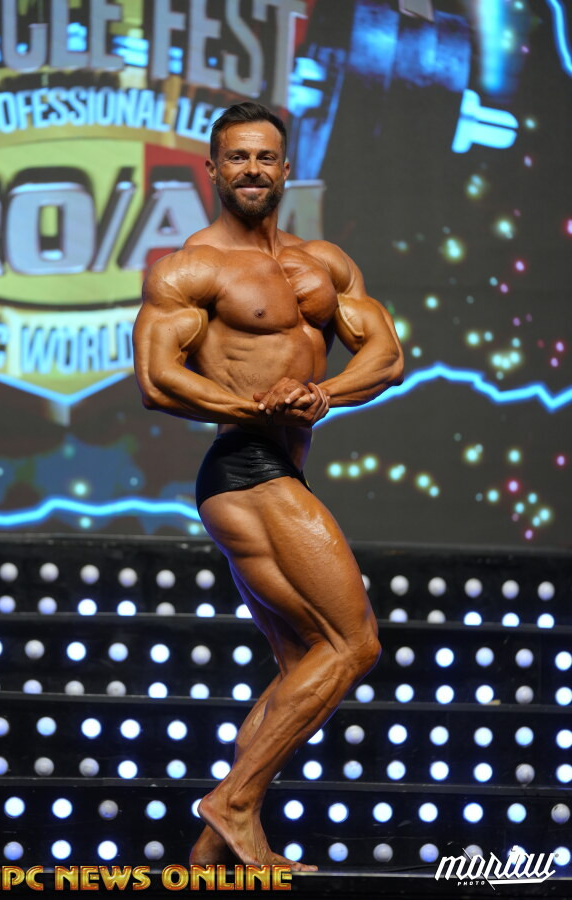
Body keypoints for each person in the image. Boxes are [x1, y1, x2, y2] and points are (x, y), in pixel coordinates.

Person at [133, 101, 405, 870]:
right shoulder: (192, 267)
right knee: (353, 644)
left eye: (264, 157)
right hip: (245, 470)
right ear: (213, 169)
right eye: (237, 157)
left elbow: (385, 357)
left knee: (302, 665)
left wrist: (324, 394)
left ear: (286, 169)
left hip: (282, 466)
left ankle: (207, 856)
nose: (251, 169)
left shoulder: (323, 264)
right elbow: (157, 379)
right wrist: (257, 406)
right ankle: (233, 803)